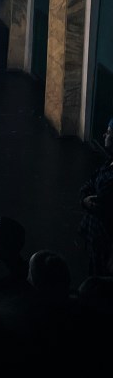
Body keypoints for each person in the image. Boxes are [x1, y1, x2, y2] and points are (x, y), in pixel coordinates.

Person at [78, 117, 113, 276]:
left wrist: (85, 199)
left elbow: (98, 200)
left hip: (105, 241)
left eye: (109, 132)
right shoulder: (109, 163)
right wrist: (85, 199)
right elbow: (89, 184)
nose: (105, 135)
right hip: (96, 237)